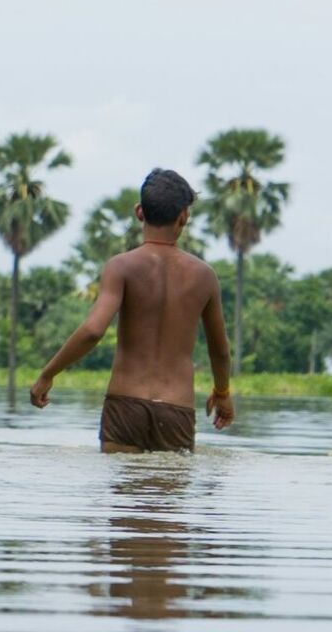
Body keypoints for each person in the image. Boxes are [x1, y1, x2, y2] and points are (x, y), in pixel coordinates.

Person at [29, 168, 234, 451]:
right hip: (176, 409)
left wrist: (47, 374)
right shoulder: (204, 276)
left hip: (125, 404)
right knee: (167, 495)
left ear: (139, 212)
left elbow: (92, 331)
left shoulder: (121, 266)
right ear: (183, 217)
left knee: (123, 494)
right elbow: (220, 350)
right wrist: (222, 392)